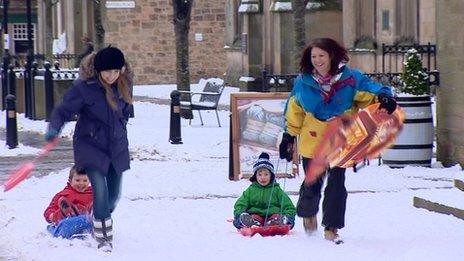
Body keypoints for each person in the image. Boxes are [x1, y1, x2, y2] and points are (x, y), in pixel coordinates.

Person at [278, 38, 397, 242]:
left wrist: (385, 98)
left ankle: (331, 227)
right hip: (312, 142)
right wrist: (289, 136)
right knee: (312, 183)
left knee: (336, 184)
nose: (317, 60)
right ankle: (308, 212)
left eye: (321, 56)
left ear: (331, 56)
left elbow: (372, 90)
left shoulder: (350, 79)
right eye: (313, 56)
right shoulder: (303, 82)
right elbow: (294, 110)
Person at [45, 46, 133, 251]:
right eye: (107, 72)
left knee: (113, 195)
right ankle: (103, 239)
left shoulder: (125, 83)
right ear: (99, 70)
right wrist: (54, 129)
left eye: (115, 71)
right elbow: (63, 109)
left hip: (116, 146)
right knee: (100, 191)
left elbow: (126, 110)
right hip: (90, 145)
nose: (111, 76)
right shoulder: (84, 87)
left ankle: (95, 218)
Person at [233, 152, 296, 229]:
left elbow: (288, 206)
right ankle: (251, 223)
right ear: (255, 176)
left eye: (266, 174)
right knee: (246, 218)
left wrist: (288, 215)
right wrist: (240, 213)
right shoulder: (251, 190)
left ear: (271, 176)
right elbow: (240, 204)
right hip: (256, 216)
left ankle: (278, 222)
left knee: (278, 217)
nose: (263, 177)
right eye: (259, 174)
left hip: (273, 215)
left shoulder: (276, 190)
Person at [44, 166, 93, 239]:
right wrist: (53, 216)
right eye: (77, 180)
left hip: (87, 221)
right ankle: (67, 212)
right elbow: (48, 212)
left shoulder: (92, 193)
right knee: (68, 223)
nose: (81, 183)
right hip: (68, 222)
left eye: (85, 181)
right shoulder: (64, 194)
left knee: (94, 219)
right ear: (70, 181)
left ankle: (86, 213)